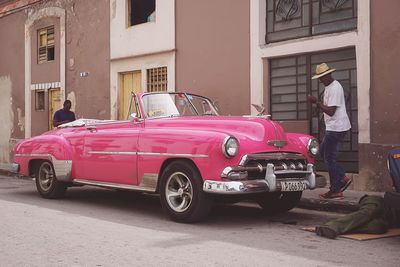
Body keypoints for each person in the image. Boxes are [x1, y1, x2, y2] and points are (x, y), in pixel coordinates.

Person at [307, 63, 352, 199]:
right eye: (319, 78)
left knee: (329, 158)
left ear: (328, 75)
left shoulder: (335, 88)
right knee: (323, 153)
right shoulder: (328, 87)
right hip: (333, 127)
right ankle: (342, 178)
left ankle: (336, 188)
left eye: (322, 77)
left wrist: (316, 102)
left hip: (337, 127)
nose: (320, 80)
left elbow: (331, 111)